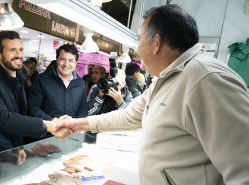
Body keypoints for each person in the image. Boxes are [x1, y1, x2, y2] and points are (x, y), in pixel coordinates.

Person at [55, 4, 249, 184]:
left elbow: (244, 170)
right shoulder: (165, 79)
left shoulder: (207, 79)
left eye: (139, 40)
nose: (136, 49)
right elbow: (130, 116)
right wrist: (78, 123)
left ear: (157, 42)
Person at [0, 31, 71, 160]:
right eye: (12, 50)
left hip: (8, 151)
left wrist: (51, 121)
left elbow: (24, 113)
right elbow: (3, 118)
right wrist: (45, 126)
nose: (19, 55)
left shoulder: (18, 79)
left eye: (21, 49)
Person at [27, 44, 88, 122]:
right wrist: (51, 120)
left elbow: (83, 107)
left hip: (71, 132)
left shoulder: (81, 83)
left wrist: (78, 122)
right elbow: (32, 107)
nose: (66, 64)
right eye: (62, 59)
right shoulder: (41, 80)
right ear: (57, 60)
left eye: (71, 60)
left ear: (76, 62)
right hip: (47, 132)